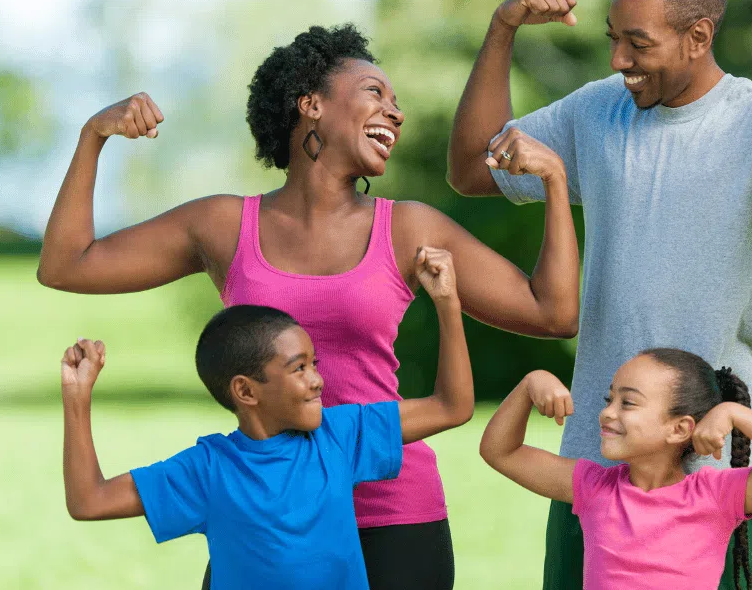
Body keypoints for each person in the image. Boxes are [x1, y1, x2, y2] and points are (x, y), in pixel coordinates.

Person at [38, 24, 579, 588]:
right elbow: (66, 265)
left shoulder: (408, 228)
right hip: (264, 511)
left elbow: (552, 313)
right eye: (375, 91)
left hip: (392, 513)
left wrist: (556, 184)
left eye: (396, 102)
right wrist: (93, 135)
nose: (395, 113)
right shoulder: (223, 226)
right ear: (311, 104)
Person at [446, 0, 752, 586]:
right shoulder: (597, 111)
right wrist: (503, 27)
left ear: (699, 37)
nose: (621, 58)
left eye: (640, 43)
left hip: (720, 478)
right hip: (598, 471)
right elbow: (470, 168)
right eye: (613, 38)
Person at [59, 248, 473, 590]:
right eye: (299, 368)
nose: (317, 381)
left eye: (315, 364)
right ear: (245, 391)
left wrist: (448, 303)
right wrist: (77, 399)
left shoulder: (340, 436)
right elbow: (89, 501)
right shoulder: (208, 469)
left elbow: (451, 407)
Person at [479, 349, 752, 589]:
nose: (607, 413)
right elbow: (500, 452)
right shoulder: (593, 487)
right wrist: (530, 384)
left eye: (627, 403)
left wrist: (736, 415)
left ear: (679, 429)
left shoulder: (715, 496)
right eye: (609, 399)